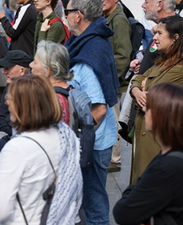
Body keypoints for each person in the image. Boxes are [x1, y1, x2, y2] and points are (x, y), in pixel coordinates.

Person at [0, 75, 83, 224]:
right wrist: (1, 167)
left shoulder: (17, 149)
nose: (6, 102)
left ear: (26, 105)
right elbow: (38, 172)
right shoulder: (66, 134)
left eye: (11, 98)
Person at [113, 82, 183, 225]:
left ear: (162, 117)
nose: (144, 108)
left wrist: (136, 186)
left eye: (149, 107)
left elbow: (122, 212)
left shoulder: (167, 167)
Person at [64, 0, 118, 223]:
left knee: (93, 203)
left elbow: (99, 109)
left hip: (94, 143)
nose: (64, 15)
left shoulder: (90, 51)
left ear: (79, 15)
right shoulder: (84, 42)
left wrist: (78, 142)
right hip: (95, 139)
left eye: (67, 12)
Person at [129, 15, 183, 184]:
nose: (155, 38)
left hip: (157, 141)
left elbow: (153, 100)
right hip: (145, 136)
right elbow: (137, 79)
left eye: (159, 33)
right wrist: (138, 90)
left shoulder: (180, 70)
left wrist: (144, 87)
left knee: (149, 190)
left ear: (175, 38)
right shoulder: (163, 61)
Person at [102, 0, 132, 173]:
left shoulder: (118, 20)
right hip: (111, 77)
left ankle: (115, 159)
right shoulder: (110, 17)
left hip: (113, 79)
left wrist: (110, 77)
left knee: (113, 119)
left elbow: (123, 55)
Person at [0, 50, 32, 156]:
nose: (3, 71)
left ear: (21, 70)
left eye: (8, 68)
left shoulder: (35, 91)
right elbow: (0, 119)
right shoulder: (10, 85)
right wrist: (14, 131)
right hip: (13, 138)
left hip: (28, 145)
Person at [30, 40, 72, 124]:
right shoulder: (69, 91)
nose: (30, 65)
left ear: (47, 71)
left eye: (35, 62)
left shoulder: (51, 99)